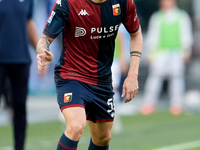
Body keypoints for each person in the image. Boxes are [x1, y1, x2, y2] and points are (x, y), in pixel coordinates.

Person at [36, 0, 143, 149]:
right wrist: (43, 52)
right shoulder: (68, 2)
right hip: (72, 74)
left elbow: (136, 35)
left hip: (102, 79)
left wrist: (133, 74)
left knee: (103, 138)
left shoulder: (124, 3)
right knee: (76, 126)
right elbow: (44, 40)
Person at [140, 0, 193, 115]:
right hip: (160, 52)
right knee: (155, 77)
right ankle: (149, 103)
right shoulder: (157, 17)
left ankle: (176, 104)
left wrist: (186, 51)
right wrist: (150, 53)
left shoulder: (182, 16)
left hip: (177, 52)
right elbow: (152, 36)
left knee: (177, 78)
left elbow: (186, 35)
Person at [0, 0, 38, 150]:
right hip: (0, 61)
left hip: (21, 59)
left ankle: (19, 147)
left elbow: (29, 24)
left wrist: (39, 51)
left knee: (20, 107)